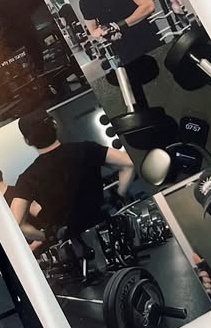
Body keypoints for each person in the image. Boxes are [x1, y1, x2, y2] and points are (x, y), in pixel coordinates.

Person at [9, 109, 134, 256]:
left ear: (27, 141)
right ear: (55, 125)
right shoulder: (86, 149)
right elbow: (128, 163)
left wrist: (47, 236)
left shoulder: (27, 177)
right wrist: (119, 195)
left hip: (73, 240)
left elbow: (16, 223)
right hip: (104, 225)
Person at [72, 0, 159, 109]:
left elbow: (148, 6)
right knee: (140, 98)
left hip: (149, 41)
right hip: (124, 52)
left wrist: (120, 25)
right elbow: (93, 30)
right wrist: (103, 34)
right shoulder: (85, 1)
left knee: (163, 81)